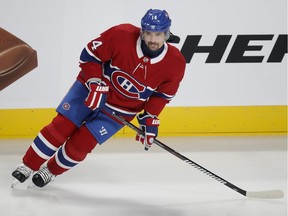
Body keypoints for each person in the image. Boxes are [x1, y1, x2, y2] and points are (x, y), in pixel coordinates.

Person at [11, 8, 186, 188]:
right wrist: (94, 81)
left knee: (82, 144)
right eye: (148, 33)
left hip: (121, 110)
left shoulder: (176, 62)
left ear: (167, 34)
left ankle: (50, 170)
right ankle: (27, 165)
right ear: (142, 31)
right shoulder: (121, 34)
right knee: (61, 127)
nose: (152, 40)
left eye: (158, 34)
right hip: (91, 90)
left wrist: (150, 116)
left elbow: (162, 95)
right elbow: (89, 55)